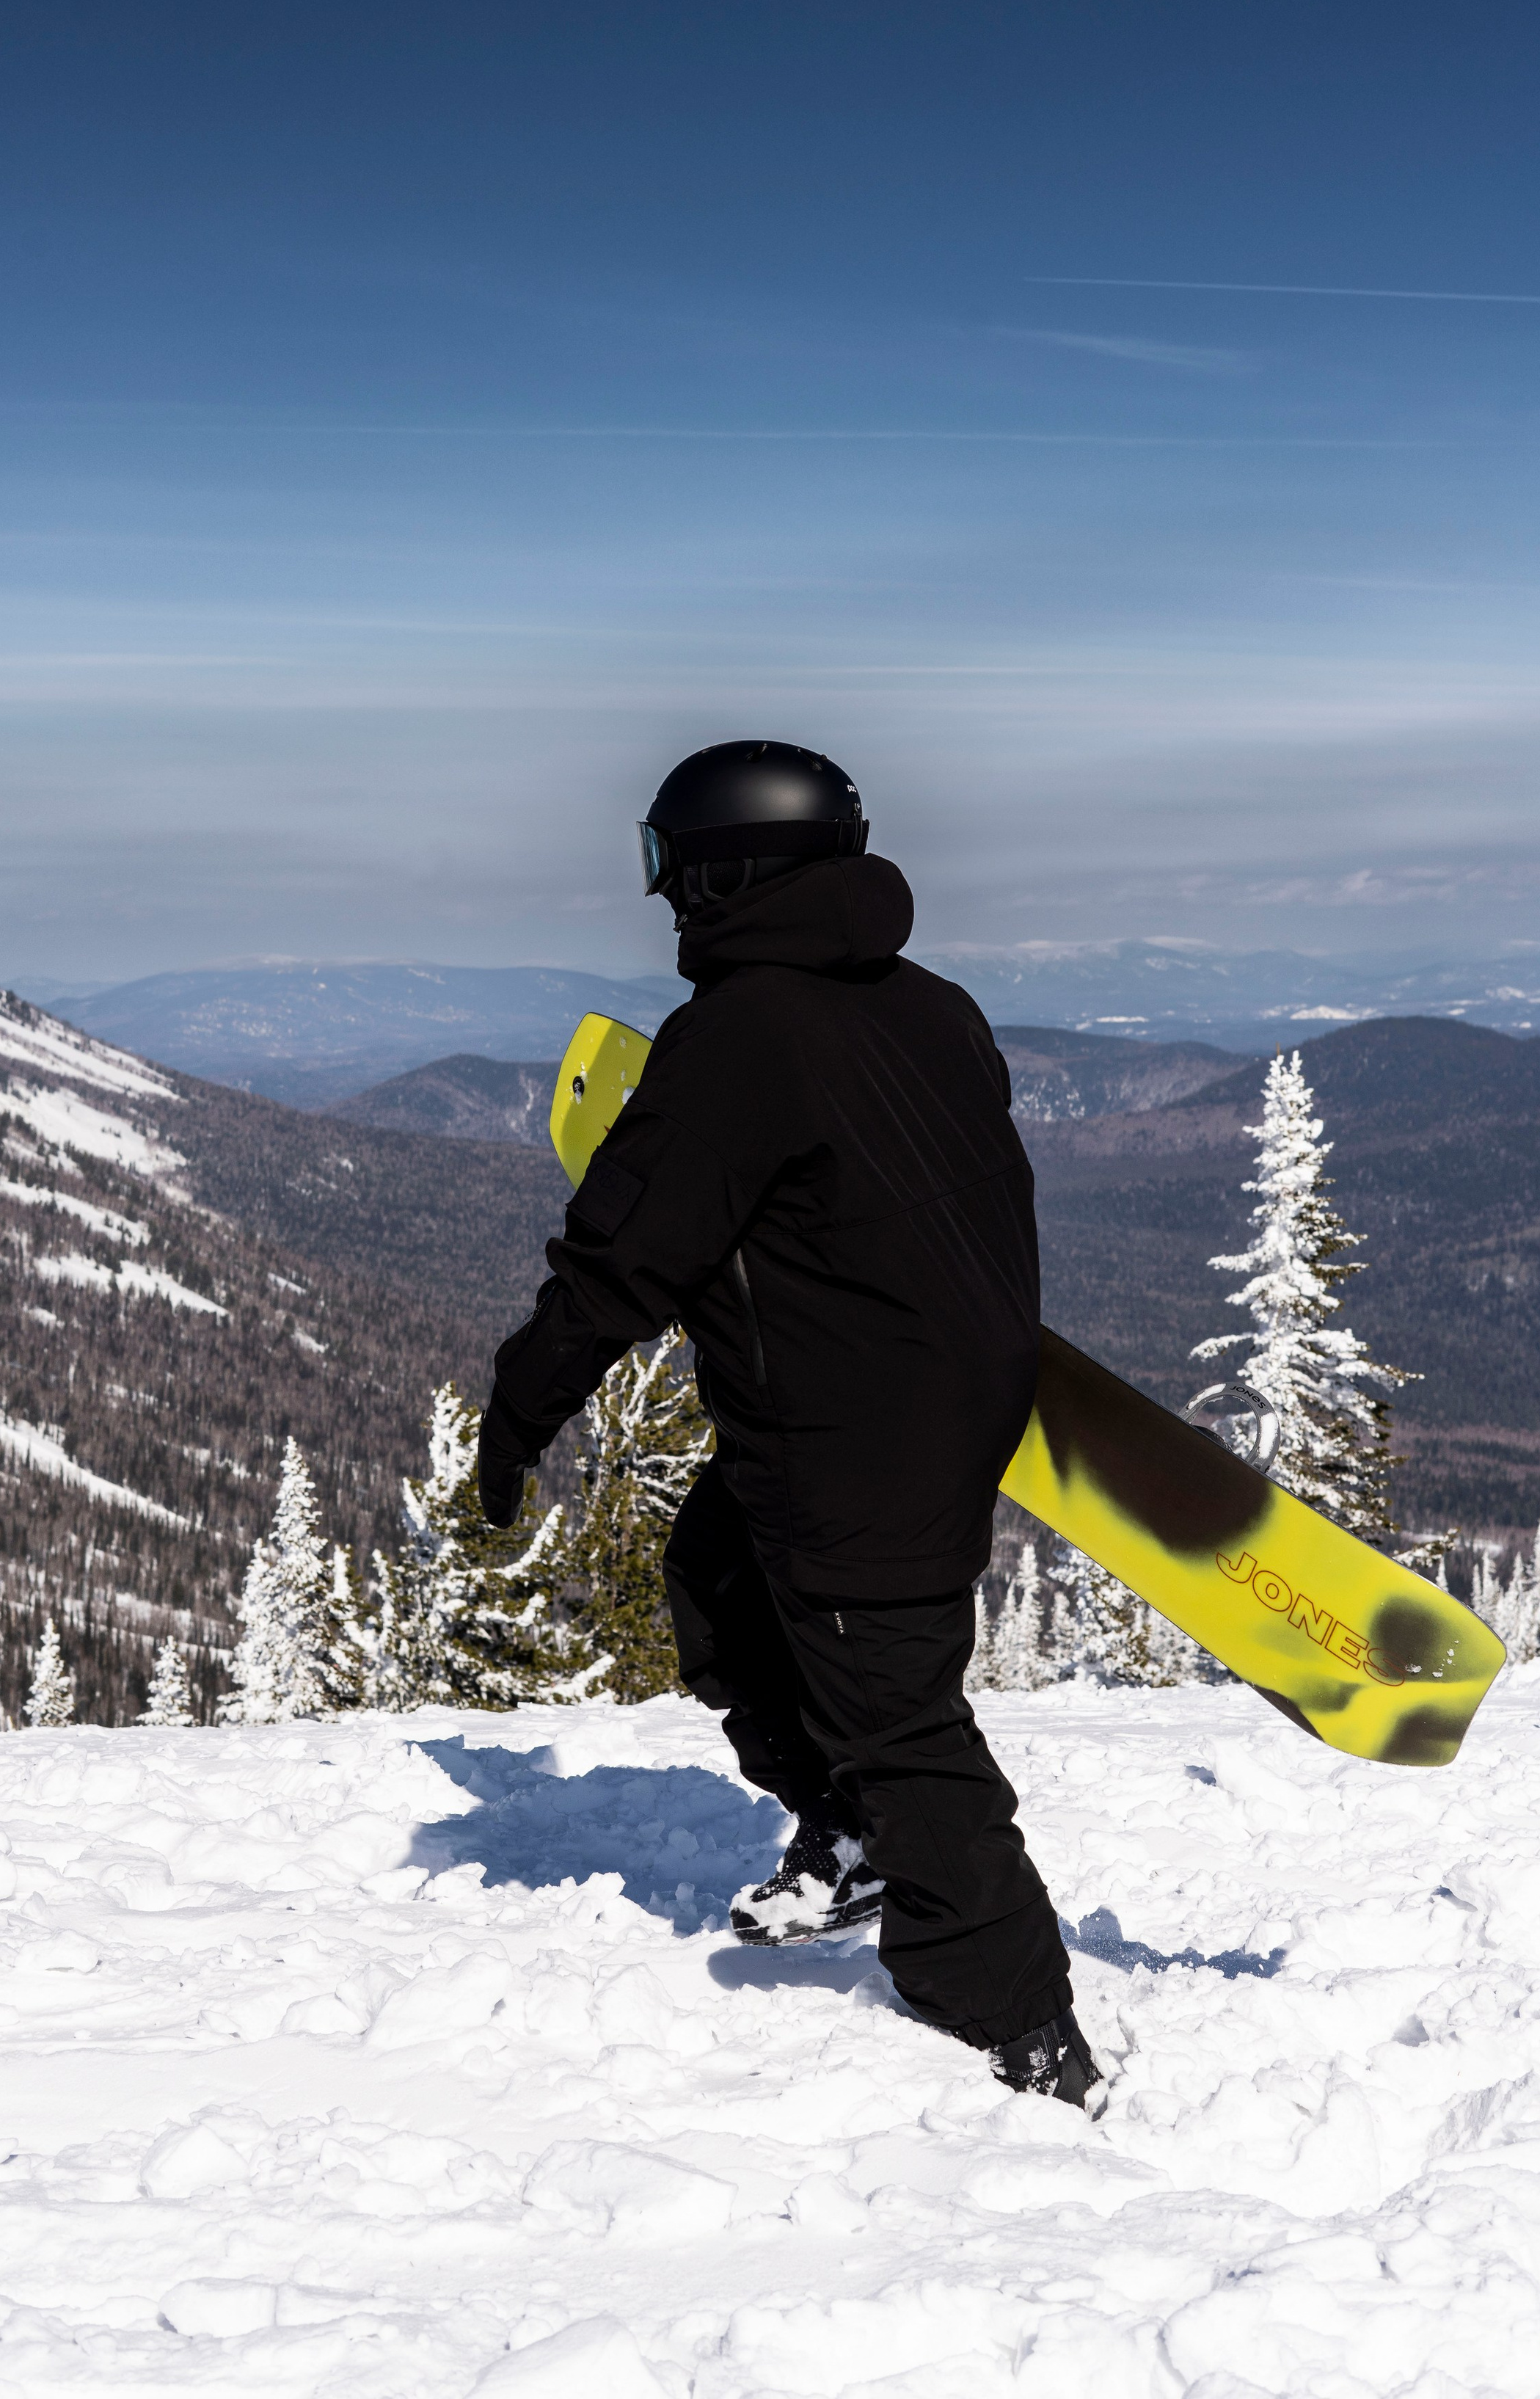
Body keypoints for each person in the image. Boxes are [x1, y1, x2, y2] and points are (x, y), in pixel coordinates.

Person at [477, 740, 1095, 2104]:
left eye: (667, 866)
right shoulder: (934, 1007)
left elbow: (624, 1253)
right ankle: (855, 1838)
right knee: (718, 1574)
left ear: (721, 870)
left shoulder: (742, 1037)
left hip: (853, 1442)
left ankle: (1019, 2033)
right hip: (917, 1402)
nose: (662, 898)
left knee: (898, 1719)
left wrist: (520, 1413)